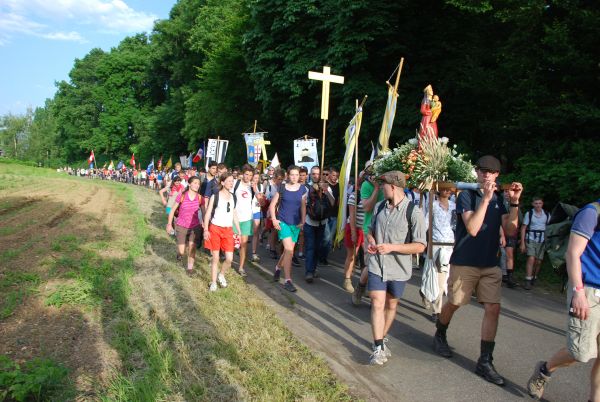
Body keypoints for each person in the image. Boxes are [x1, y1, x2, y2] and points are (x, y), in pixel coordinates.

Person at [432, 155, 522, 386]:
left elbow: (511, 230)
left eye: (490, 172)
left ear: (497, 175)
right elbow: (472, 228)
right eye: (482, 171)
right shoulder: (467, 196)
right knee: (455, 303)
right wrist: (486, 200)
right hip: (465, 261)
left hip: (490, 263)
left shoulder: (501, 198)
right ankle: (440, 332)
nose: (486, 175)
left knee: (493, 308)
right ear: (477, 172)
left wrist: (514, 203)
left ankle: (485, 360)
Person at [526, 200, 600, 400]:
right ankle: (544, 370)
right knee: (579, 353)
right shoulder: (591, 213)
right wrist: (578, 292)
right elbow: (573, 254)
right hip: (589, 290)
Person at [367, 171, 426, 365]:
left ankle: (381, 339)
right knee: (377, 302)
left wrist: (392, 247)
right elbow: (369, 231)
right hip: (377, 264)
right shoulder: (379, 207)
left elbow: (420, 245)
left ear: (393, 186)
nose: (382, 189)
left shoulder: (414, 212)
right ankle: (377, 347)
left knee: (391, 305)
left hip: (399, 269)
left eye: (383, 185)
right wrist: (371, 240)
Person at [269, 165, 307, 292]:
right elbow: (272, 205)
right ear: (288, 175)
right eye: (292, 175)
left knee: (287, 252)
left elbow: (303, 206)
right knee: (289, 250)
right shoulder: (282, 188)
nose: (295, 177)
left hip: (295, 224)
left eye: (297, 175)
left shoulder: (302, 189)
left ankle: (278, 268)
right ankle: (288, 280)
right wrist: (274, 220)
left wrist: (303, 221)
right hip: (283, 222)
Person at [422, 187, 456, 322]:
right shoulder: (433, 205)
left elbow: (456, 225)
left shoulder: (454, 206)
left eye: (449, 188)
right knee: (438, 278)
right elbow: (425, 224)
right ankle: (437, 310)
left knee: (445, 278)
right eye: (445, 188)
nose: (447, 190)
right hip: (436, 245)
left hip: (450, 245)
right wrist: (420, 242)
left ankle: (427, 294)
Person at [352, 164, 384, 305]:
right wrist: (376, 188)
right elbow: (367, 207)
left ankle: (377, 295)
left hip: (386, 230)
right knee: (372, 264)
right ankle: (361, 286)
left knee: (384, 264)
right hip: (370, 229)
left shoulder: (389, 185)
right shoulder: (366, 186)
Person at [203, 173, 241, 292]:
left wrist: (238, 229)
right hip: (215, 228)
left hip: (228, 229)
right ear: (223, 182)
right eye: (229, 181)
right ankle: (213, 282)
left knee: (229, 258)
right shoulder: (215, 196)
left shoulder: (233, 196)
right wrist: (205, 229)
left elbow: (234, 213)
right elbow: (208, 213)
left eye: (232, 181)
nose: (231, 183)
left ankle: (221, 274)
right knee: (215, 258)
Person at [166, 176, 204, 276]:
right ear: (189, 184)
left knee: (192, 248)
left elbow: (204, 212)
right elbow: (172, 211)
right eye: (195, 183)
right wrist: (169, 224)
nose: (197, 185)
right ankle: (179, 253)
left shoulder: (200, 198)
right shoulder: (182, 196)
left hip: (195, 227)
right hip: (181, 226)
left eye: (198, 183)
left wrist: (204, 223)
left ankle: (190, 269)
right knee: (182, 251)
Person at [304, 170, 334, 283]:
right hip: (310, 222)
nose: (316, 176)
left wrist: (326, 191)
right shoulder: (308, 188)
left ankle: (313, 268)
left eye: (318, 174)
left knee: (317, 247)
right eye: (314, 174)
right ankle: (309, 272)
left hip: (322, 223)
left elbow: (332, 202)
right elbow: (303, 204)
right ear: (311, 175)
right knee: (310, 247)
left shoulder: (326, 187)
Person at [520, 197, 550, 290]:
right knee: (531, 258)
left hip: (542, 240)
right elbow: (523, 228)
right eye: (536, 203)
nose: (538, 205)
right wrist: (522, 242)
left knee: (538, 261)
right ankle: (528, 280)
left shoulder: (547, 215)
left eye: (539, 203)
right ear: (533, 204)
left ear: (542, 204)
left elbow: (549, 228)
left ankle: (534, 277)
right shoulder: (529, 214)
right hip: (531, 238)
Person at [232, 164, 255, 276]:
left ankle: (241, 267)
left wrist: (256, 190)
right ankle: (227, 259)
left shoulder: (253, 187)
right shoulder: (235, 183)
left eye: (250, 175)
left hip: (247, 219)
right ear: (242, 173)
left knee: (243, 244)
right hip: (235, 218)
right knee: (231, 243)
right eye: (246, 174)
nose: (248, 177)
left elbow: (261, 202)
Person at [342, 187, 365, 293]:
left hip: (366, 230)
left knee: (366, 258)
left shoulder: (372, 194)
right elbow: (351, 215)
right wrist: (353, 232)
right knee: (352, 255)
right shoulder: (355, 195)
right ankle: (347, 279)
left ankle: (363, 283)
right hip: (354, 228)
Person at [319, 167, 340, 266]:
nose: (335, 177)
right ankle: (320, 256)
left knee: (330, 239)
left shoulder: (339, 186)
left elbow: (339, 200)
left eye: (337, 176)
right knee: (326, 238)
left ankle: (324, 257)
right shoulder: (325, 185)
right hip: (326, 215)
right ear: (329, 175)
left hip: (335, 215)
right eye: (333, 175)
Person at [250, 172, 266, 262]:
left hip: (256, 210)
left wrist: (257, 192)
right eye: (254, 178)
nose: (255, 180)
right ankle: (238, 247)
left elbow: (261, 200)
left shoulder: (260, 186)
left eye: (257, 178)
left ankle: (254, 252)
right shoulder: (247, 186)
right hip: (246, 211)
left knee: (256, 231)